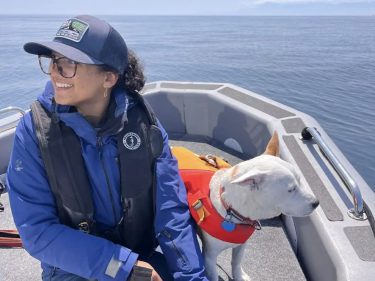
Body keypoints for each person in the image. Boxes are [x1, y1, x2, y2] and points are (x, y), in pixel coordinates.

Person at [7, 15, 208, 281]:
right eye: (53, 62)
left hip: (141, 257)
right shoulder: (35, 132)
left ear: (109, 77)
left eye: (68, 63)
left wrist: (191, 276)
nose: (56, 72)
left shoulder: (145, 125)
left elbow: (172, 211)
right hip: (72, 269)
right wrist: (123, 268)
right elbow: (38, 231)